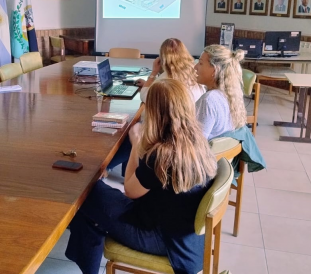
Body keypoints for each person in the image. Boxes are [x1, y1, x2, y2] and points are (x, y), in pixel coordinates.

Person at [65, 79, 218, 274]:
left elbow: (130, 190)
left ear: (155, 113)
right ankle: (87, 248)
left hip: (159, 238)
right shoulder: (197, 141)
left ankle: (86, 259)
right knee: (93, 203)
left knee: (86, 190)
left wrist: (136, 145)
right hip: (183, 237)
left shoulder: (163, 155)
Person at [108, 38, 205, 175]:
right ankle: (122, 169)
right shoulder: (195, 74)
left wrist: (153, 73)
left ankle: (106, 168)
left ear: (163, 58)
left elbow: (145, 96)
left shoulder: (166, 78)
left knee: (132, 127)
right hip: (186, 128)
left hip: (165, 129)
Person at [194, 45, 247, 139]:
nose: (195, 67)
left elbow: (197, 142)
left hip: (208, 153)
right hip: (223, 152)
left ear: (215, 70)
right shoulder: (231, 95)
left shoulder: (209, 99)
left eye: (200, 63)